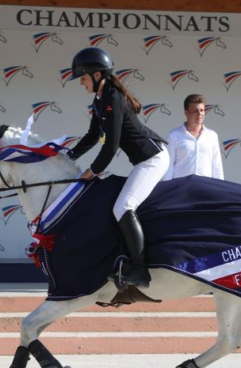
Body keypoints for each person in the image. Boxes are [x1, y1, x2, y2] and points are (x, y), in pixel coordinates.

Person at [68, 47, 169, 288]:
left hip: (153, 159)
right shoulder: (100, 99)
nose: (81, 83)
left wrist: (91, 171)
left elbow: (111, 145)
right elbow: (93, 135)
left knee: (123, 206)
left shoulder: (113, 97)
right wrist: (67, 155)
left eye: (82, 78)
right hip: (145, 160)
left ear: (97, 75)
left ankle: (141, 271)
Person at [163, 94, 224, 181]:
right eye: (195, 111)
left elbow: (217, 166)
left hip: (205, 188)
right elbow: (168, 167)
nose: (199, 114)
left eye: (202, 110)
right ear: (186, 113)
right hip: (181, 189)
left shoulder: (212, 136)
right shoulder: (174, 136)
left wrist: (219, 189)